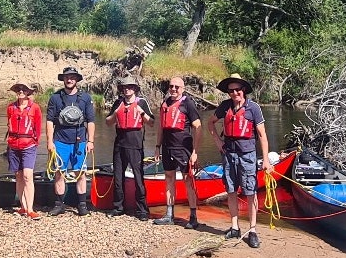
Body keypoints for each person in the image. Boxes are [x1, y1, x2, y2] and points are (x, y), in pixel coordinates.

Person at [208, 73, 270, 248]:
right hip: (229, 154)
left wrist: (266, 160)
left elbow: (262, 135)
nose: (235, 93)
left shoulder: (254, 108)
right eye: (231, 91)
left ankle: (252, 231)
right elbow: (210, 123)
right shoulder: (225, 106)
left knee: (250, 192)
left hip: (247, 155)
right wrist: (218, 142)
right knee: (231, 190)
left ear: (244, 90)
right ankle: (234, 227)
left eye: (238, 90)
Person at [45, 65, 95, 216]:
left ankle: (81, 205)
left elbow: (91, 121)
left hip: (80, 141)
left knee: (81, 172)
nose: (69, 79)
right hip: (60, 141)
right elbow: (49, 122)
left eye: (72, 77)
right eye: (67, 77)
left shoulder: (85, 98)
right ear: (63, 79)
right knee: (59, 172)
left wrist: (90, 141)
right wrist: (49, 142)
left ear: (77, 80)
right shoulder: (55, 98)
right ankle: (59, 204)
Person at [154, 76, 202, 229]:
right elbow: (161, 127)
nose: (173, 89)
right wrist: (157, 146)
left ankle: (193, 216)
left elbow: (197, 127)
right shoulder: (165, 104)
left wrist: (195, 151)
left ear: (183, 89)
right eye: (171, 86)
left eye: (177, 87)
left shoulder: (188, 104)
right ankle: (169, 214)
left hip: (183, 148)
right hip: (168, 147)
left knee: (188, 180)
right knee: (169, 178)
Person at [105, 75, 153, 219]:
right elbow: (108, 122)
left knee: (139, 178)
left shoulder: (142, 102)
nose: (127, 89)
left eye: (130, 87)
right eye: (125, 87)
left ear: (135, 89)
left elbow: (151, 122)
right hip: (120, 143)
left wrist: (141, 112)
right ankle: (118, 207)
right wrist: (115, 113)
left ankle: (142, 210)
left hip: (135, 144)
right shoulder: (118, 102)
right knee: (118, 177)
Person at [6, 82, 44, 218]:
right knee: (18, 176)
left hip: (29, 145)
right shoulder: (11, 107)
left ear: (28, 92)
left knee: (28, 175)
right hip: (13, 145)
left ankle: (31, 209)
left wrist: (35, 142)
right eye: (18, 89)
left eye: (24, 89)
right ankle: (22, 206)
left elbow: (38, 128)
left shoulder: (35, 108)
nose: (21, 91)